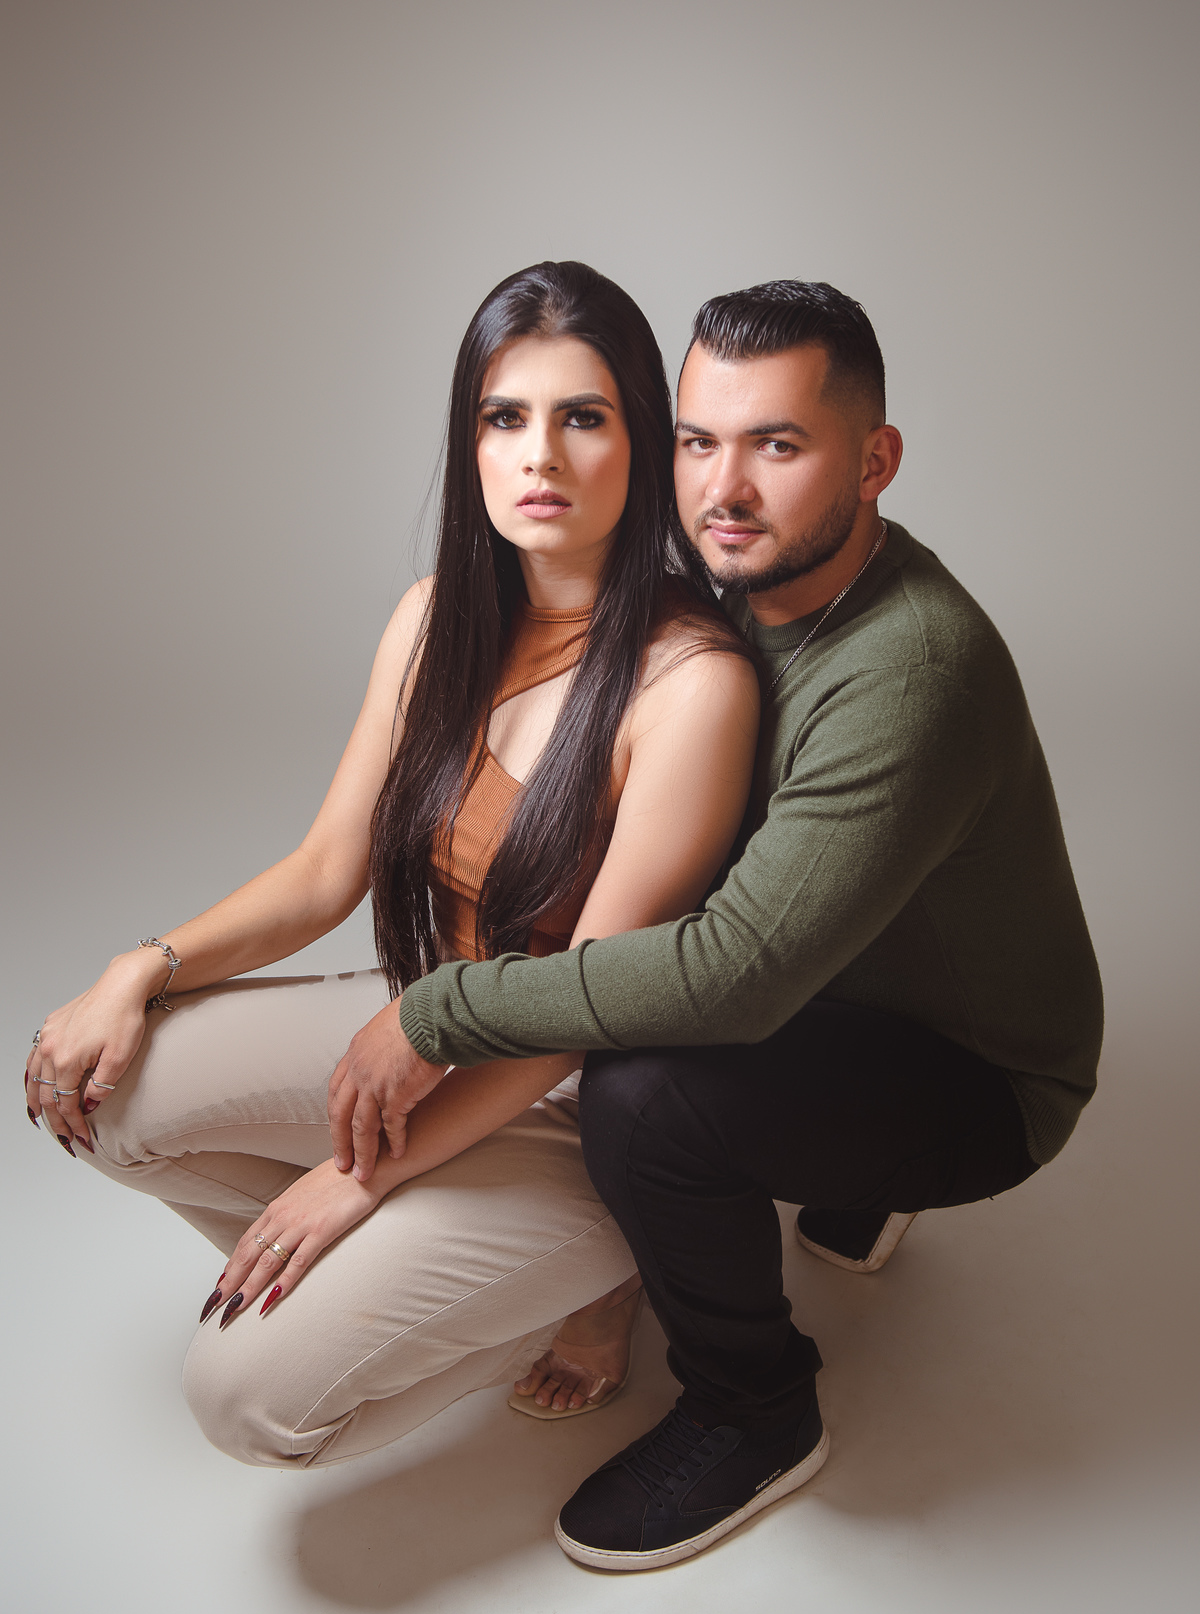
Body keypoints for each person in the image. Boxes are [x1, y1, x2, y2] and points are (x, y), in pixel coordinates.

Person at [346, 281, 1106, 1572]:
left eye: (779, 445)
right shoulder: (740, 580)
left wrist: (441, 1009)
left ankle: (755, 1406)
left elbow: (734, 981)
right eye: (699, 441)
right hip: (831, 972)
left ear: (875, 462)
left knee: (646, 1098)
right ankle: (841, 1187)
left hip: (974, 1069)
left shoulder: (909, 674)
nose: (724, 489)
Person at [24, 260, 760, 1457]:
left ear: (643, 440)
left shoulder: (692, 685)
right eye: (505, 417)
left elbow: (587, 1005)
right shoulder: (433, 619)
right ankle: (399, 1267)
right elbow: (327, 870)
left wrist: (360, 1178)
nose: (540, 456)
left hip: (576, 1101)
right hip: (421, 1021)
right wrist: (139, 968)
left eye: (583, 418)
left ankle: (589, 1284)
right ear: (470, 440)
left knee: (244, 1403)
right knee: (103, 1095)